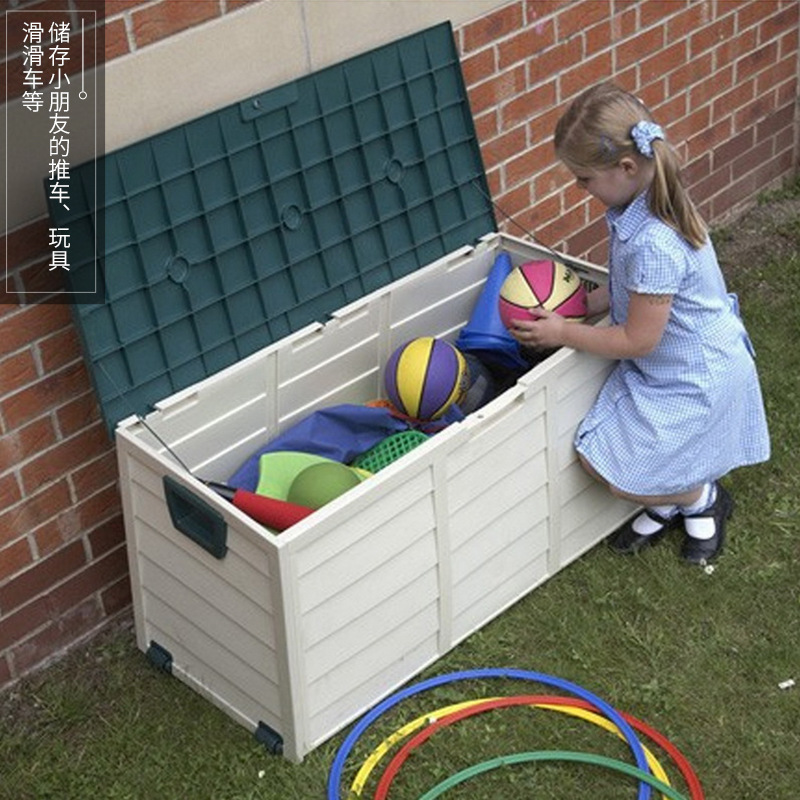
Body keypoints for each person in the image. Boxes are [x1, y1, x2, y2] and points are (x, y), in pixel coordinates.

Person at [510, 81, 770, 565]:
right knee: (603, 455)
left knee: (610, 469)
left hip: (695, 375)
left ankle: (699, 499)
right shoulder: (640, 205)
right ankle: (673, 499)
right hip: (672, 365)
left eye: (583, 178)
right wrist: (587, 303)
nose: (579, 189)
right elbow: (634, 290)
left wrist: (562, 333)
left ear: (626, 167)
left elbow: (638, 338)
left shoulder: (654, 241)